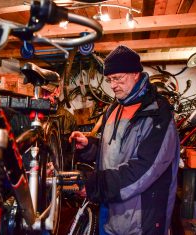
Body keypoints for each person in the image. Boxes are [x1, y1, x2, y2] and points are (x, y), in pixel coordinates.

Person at [69, 45, 180, 235]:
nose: (112, 85)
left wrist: (97, 185)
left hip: (139, 217)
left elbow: (145, 168)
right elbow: (115, 149)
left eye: (118, 78)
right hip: (110, 207)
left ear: (136, 74)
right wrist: (90, 146)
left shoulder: (157, 113)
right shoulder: (114, 108)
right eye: (110, 79)